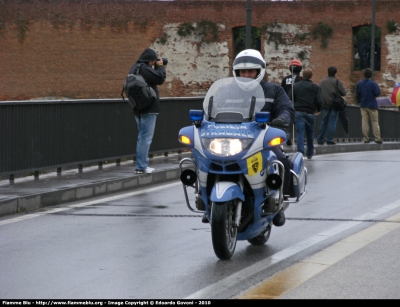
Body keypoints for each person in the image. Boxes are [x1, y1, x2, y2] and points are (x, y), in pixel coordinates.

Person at [222, 49, 295, 226]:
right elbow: (212, 110)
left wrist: (282, 119)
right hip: (232, 139)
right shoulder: (227, 91)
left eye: (250, 71)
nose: (246, 75)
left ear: (259, 71)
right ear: (236, 72)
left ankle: (278, 203)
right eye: (242, 72)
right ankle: (208, 200)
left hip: (262, 139)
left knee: (281, 162)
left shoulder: (274, 90)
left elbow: (287, 109)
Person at [128, 48, 167, 174]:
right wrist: (160, 66)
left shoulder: (134, 68)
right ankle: (141, 166)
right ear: (150, 60)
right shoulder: (144, 68)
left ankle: (141, 165)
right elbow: (160, 78)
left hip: (138, 107)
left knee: (142, 137)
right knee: (145, 138)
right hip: (149, 108)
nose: (153, 63)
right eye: (153, 61)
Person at [288, 68, 322, 159]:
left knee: (300, 132)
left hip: (298, 112)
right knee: (310, 133)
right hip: (311, 112)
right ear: (311, 76)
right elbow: (319, 100)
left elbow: (289, 98)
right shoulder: (315, 87)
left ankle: (300, 152)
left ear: (303, 75)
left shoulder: (295, 86)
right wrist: (318, 109)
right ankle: (310, 152)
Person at [316, 66, 346, 145]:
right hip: (334, 105)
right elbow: (344, 93)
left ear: (328, 72)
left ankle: (320, 139)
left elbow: (318, 93)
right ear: (335, 73)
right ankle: (329, 139)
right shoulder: (337, 82)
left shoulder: (322, 82)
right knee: (332, 122)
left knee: (324, 122)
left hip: (325, 104)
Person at [356, 68, 382, 144]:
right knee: (375, 121)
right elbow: (377, 93)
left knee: (364, 121)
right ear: (371, 75)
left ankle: (365, 138)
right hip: (372, 105)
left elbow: (357, 93)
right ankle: (377, 138)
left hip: (363, 104)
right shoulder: (373, 84)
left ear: (364, 75)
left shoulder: (360, 83)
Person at [281, 59, 303, 146]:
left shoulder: (285, 79)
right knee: (298, 124)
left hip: (286, 103)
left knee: (288, 122)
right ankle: (298, 140)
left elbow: (282, 90)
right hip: (298, 104)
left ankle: (288, 137)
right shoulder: (301, 80)